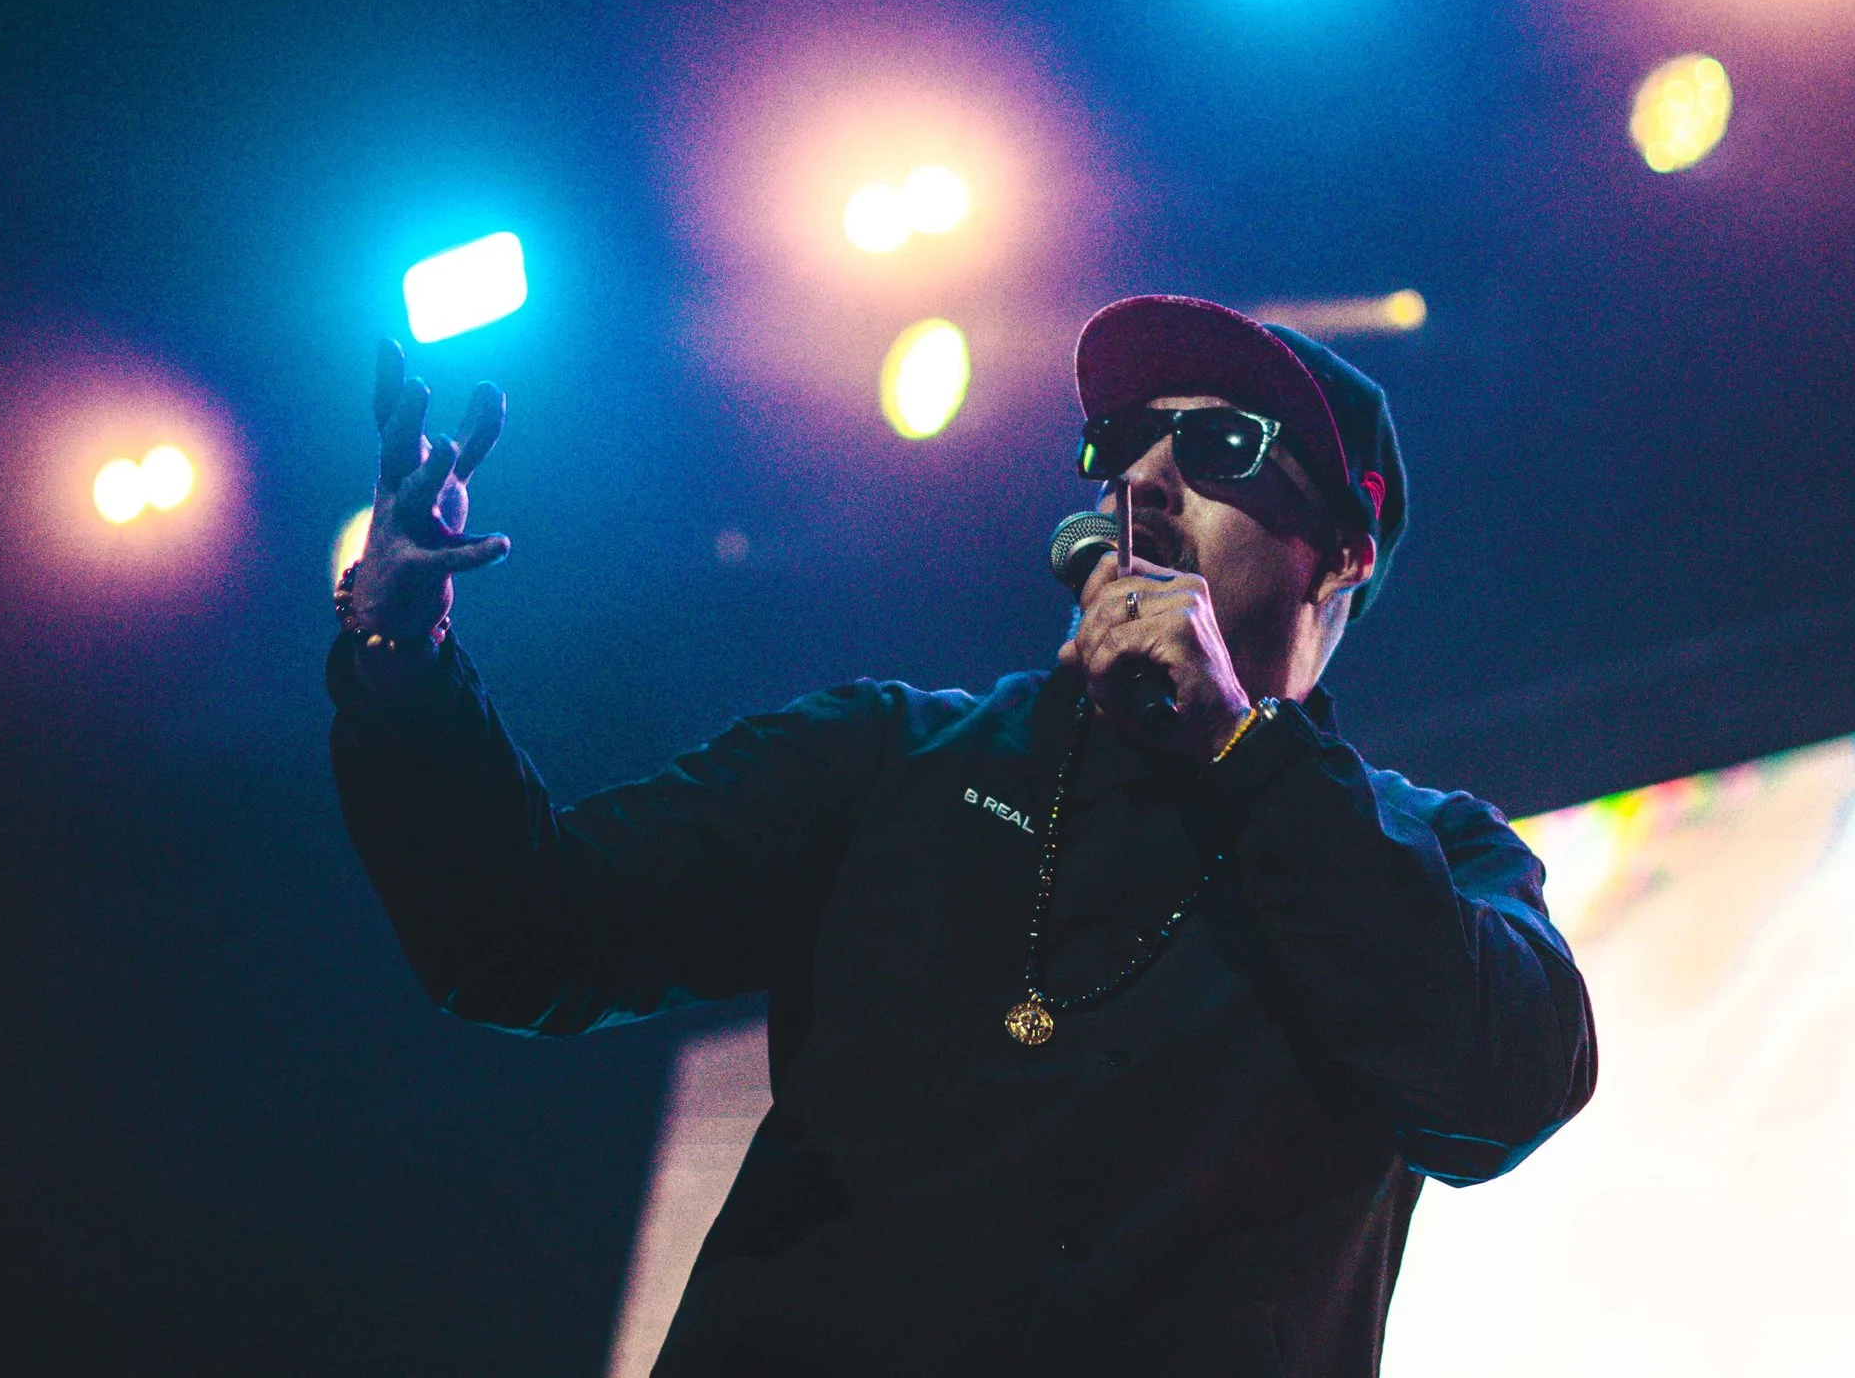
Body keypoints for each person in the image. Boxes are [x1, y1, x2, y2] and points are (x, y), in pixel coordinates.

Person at [329, 295, 1597, 1377]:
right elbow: (522, 935)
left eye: (1217, 444)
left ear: (1340, 557)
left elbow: (1504, 1092)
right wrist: (401, 662)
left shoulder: (1435, 857)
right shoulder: (890, 759)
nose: (1144, 476)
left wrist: (1237, 747)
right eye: (1122, 441)